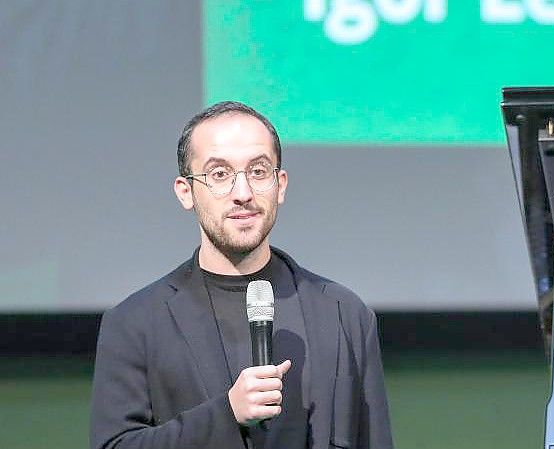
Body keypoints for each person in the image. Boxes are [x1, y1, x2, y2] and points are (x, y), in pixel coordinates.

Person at [90, 101, 393, 449]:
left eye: (258, 171)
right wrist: (227, 413)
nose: (243, 193)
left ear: (280, 185)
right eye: (219, 174)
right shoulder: (135, 323)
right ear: (186, 191)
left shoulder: (345, 314)